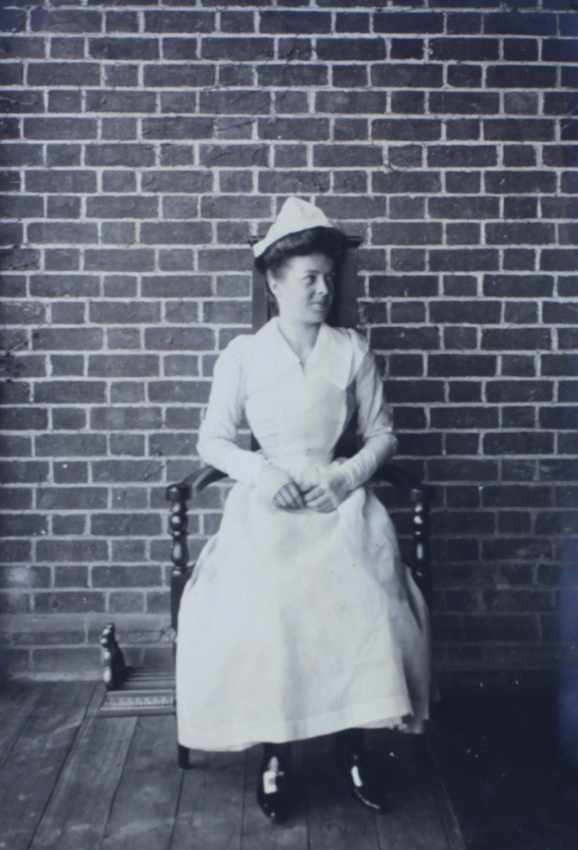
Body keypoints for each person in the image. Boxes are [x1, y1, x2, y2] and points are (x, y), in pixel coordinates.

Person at [176, 197, 431, 822]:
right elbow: (212, 440)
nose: (324, 290)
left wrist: (346, 478)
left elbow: (383, 436)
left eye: (329, 277)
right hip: (268, 507)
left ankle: (353, 747)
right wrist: (262, 474)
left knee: (364, 599)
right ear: (274, 283)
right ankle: (276, 754)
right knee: (272, 607)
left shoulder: (351, 349)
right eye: (310, 278)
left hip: (338, 502)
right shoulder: (244, 355)